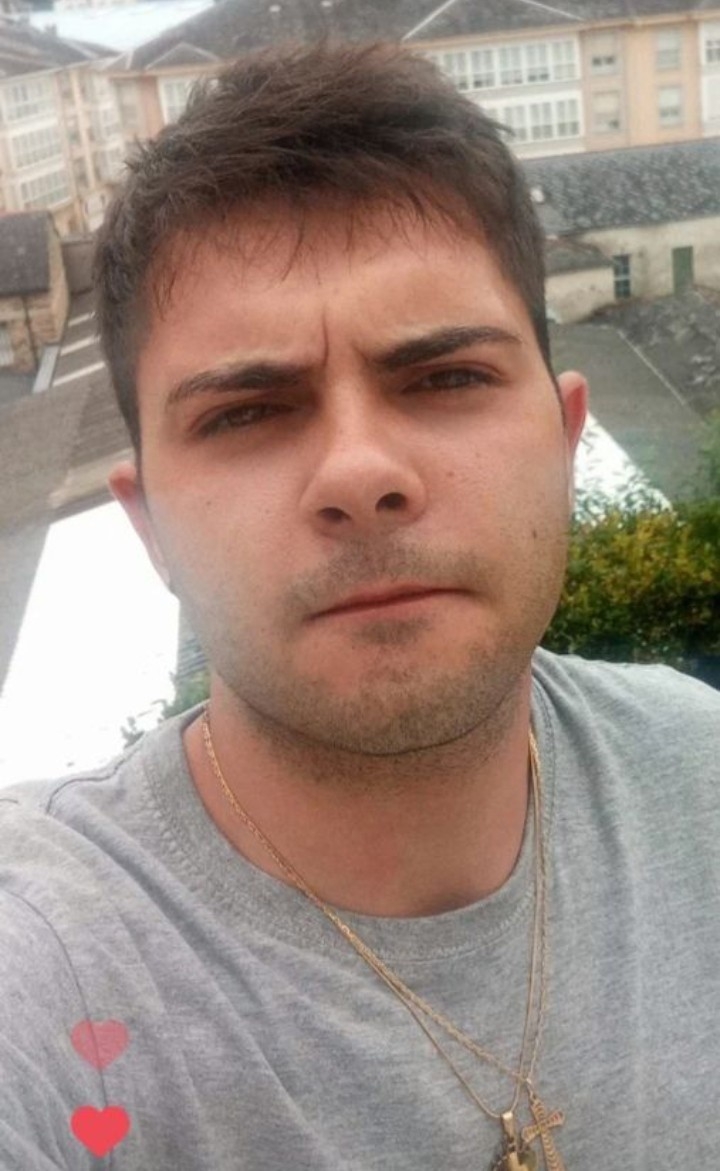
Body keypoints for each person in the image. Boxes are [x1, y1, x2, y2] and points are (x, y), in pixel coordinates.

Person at [1, 40, 718, 1171]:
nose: (360, 471)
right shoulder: (44, 961)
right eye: (246, 411)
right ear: (150, 529)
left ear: (566, 441)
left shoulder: (701, 776)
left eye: (447, 377)